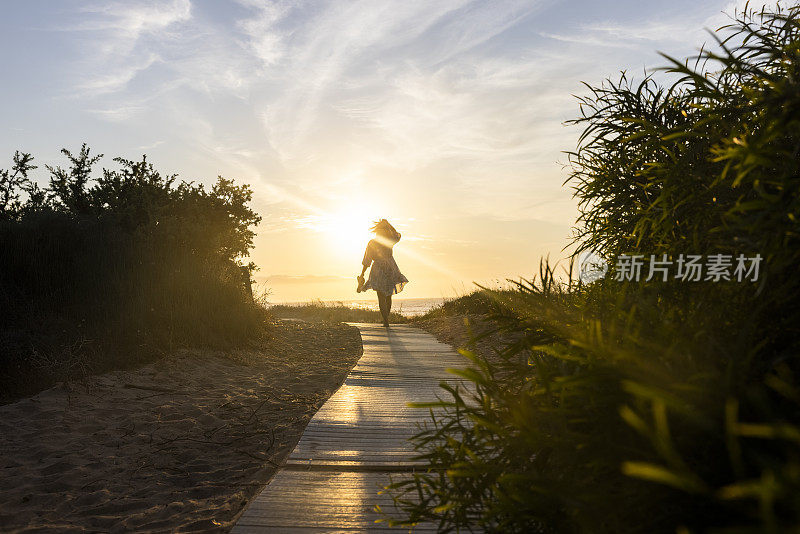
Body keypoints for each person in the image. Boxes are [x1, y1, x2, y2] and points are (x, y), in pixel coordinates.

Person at [358, 219, 409, 327]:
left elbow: (367, 260)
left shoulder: (372, 242)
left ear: (377, 231)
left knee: (381, 296)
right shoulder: (390, 240)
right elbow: (398, 235)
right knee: (388, 295)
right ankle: (386, 319)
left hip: (378, 268)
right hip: (390, 267)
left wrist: (362, 273)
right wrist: (389, 225)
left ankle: (385, 320)